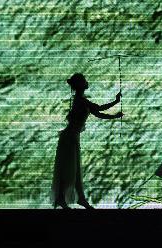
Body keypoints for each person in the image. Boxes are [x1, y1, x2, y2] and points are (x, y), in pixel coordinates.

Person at [51, 73, 123, 209]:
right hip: (70, 138)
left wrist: (115, 109)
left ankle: (77, 199)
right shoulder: (81, 101)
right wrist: (115, 104)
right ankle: (72, 199)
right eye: (84, 80)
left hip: (71, 137)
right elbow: (99, 110)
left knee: (72, 168)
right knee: (70, 169)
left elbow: (98, 112)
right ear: (81, 85)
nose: (86, 82)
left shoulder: (81, 100)